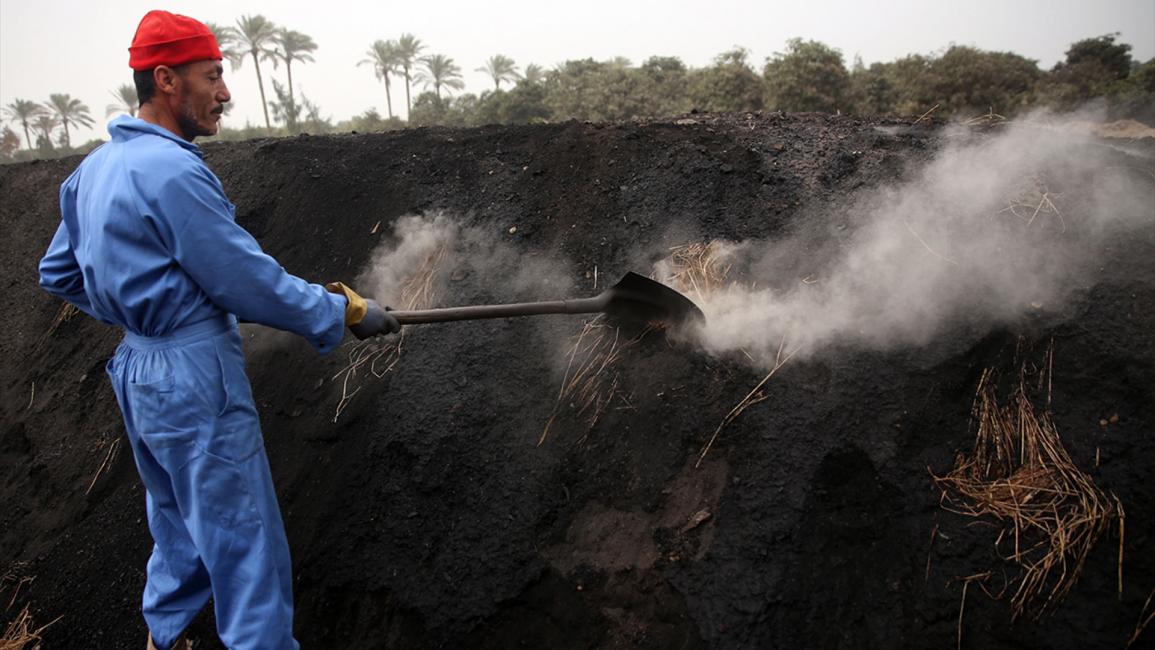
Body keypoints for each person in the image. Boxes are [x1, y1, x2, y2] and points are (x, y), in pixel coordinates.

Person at [37, 10, 398, 650]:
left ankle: (165, 640)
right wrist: (343, 310)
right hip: (192, 376)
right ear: (168, 79)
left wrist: (139, 312)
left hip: (140, 372)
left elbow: (60, 271)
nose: (225, 93)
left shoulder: (95, 169)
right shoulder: (173, 171)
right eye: (214, 76)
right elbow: (243, 280)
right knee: (244, 545)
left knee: (177, 529)